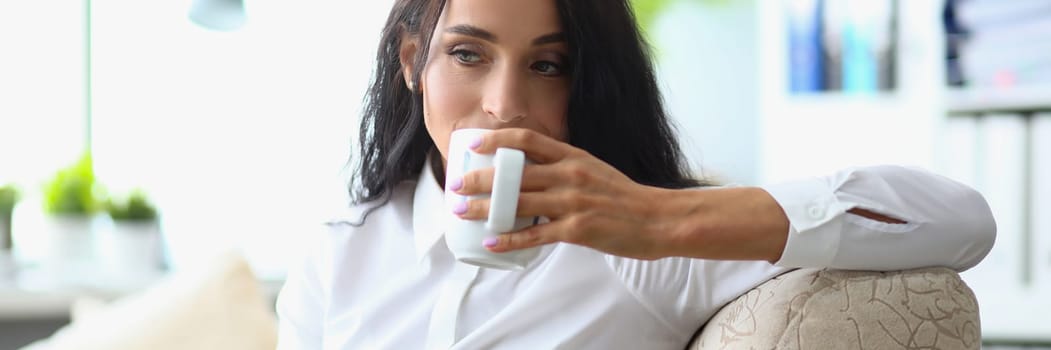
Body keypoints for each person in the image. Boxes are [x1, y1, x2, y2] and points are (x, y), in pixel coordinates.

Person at [276, 0, 996, 348]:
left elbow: (959, 221)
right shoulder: (340, 252)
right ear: (412, 64)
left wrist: (658, 220)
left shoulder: (646, 246)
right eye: (467, 55)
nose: (504, 107)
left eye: (547, 65)